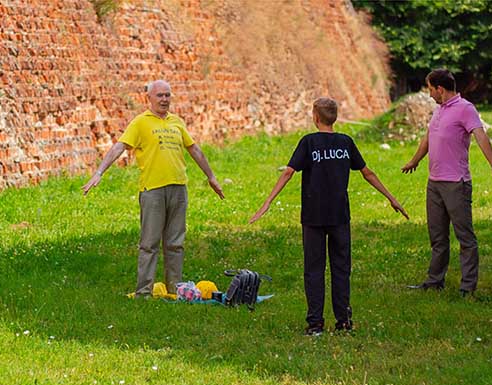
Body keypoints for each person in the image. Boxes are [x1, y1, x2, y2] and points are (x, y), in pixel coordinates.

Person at [249, 97, 409, 335]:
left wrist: (267, 202)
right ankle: (343, 321)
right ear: (335, 117)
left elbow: (288, 172)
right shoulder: (345, 142)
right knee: (341, 269)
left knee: (314, 270)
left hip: (313, 217)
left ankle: (315, 324)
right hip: (339, 216)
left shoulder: (309, 142)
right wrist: (391, 198)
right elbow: (367, 173)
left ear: (315, 117)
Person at [82, 80, 224, 297]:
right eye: (160, 95)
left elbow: (194, 149)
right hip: (153, 191)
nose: (164, 99)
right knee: (149, 244)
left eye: (167, 95)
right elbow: (120, 146)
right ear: (148, 98)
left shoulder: (177, 122)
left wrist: (211, 176)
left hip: (178, 188)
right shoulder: (140, 122)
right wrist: (99, 172)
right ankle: (144, 292)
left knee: (175, 243)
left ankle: (174, 290)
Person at [401, 68, 492, 296]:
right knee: (437, 237)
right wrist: (414, 161)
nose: (429, 93)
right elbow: (428, 138)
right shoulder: (438, 110)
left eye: (430, 89)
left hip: (456, 184)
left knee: (465, 238)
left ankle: (467, 287)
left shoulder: (465, 109)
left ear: (440, 89)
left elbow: (480, 135)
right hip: (434, 183)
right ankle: (435, 282)